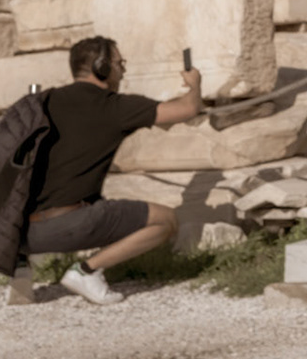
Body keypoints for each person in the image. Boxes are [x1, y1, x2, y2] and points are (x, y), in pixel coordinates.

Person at [22, 36, 201, 304]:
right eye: (120, 63)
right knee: (166, 221)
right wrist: (194, 85)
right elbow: (188, 109)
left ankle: (16, 273)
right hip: (69, 225)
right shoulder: (113, 106)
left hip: (21, 233)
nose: (123, 70)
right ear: (102, 67)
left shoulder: (44, 102)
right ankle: (86, 271)